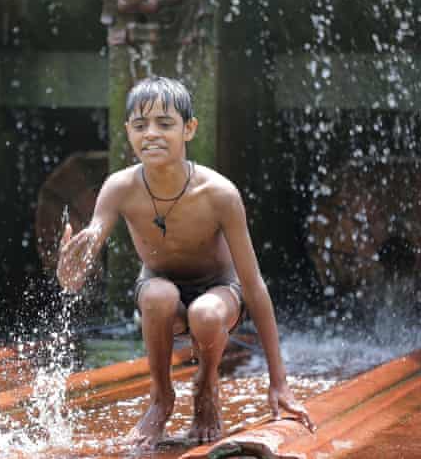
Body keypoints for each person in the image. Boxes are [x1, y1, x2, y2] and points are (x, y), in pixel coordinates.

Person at [56, 76, 315, 449]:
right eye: (141, 125)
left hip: (221, 293)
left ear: (189, 129)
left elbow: (254, 286)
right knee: (157, 294)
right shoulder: (119, 187)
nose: (152, 134)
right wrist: (70, 269)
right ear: (128, 131)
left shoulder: (220, 193)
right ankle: (161, 397)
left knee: (207, 314)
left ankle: (206, 386)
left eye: (165, 124)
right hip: (162, 296)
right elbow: (86, 252)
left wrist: (280, 382)